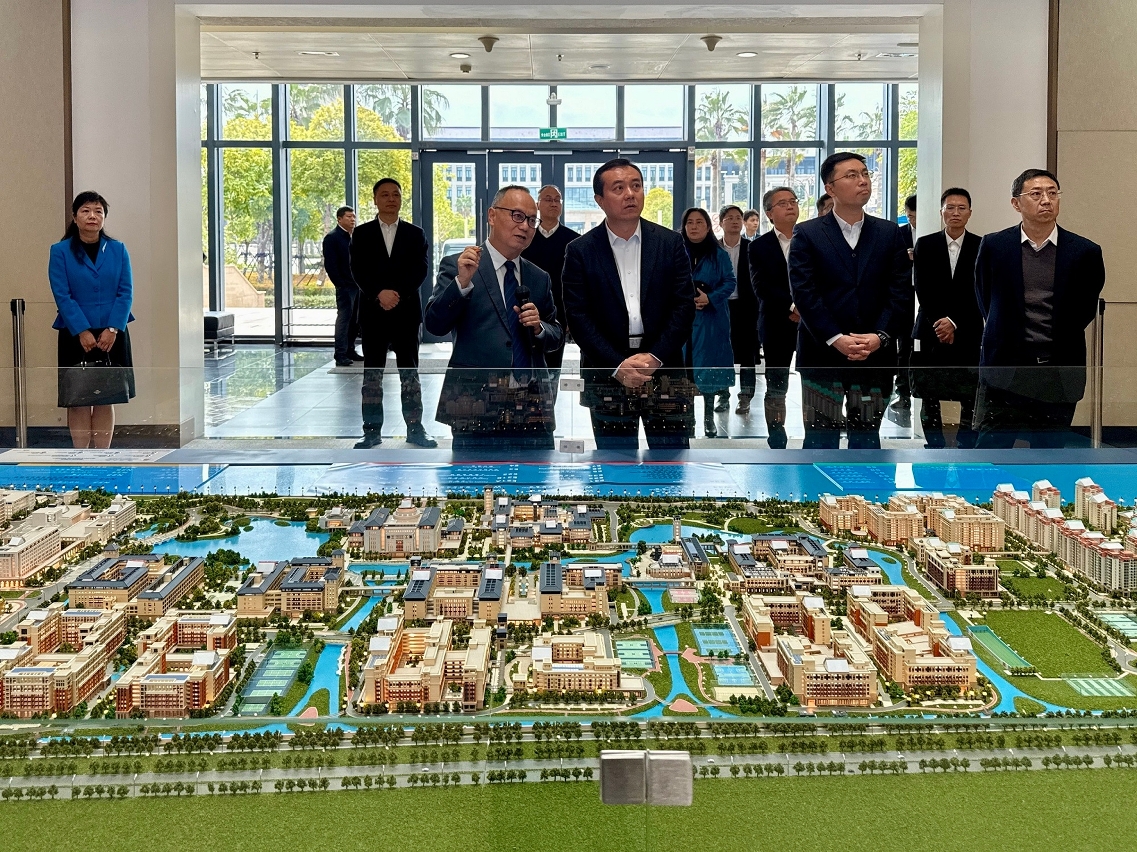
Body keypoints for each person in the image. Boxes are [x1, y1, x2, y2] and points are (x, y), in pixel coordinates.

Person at [562, 158, 696, 450]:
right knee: (615, 463)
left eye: (636, 186)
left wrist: (655, 357)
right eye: (618, 188)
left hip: (664, 368)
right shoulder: (580, 251)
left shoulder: (670, 243)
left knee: (672, 463)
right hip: (608, 373)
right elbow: (578, 317)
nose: (630, 194)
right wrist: (617, 365)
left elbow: (684, 306)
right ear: (599, 200)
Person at [788, 152, 913, 449]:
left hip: (874, 356)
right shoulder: (808, 233)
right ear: (830, 188)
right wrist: (836, 338)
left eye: (865, 173)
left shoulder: (888, 233)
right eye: (852, 175)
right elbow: (804, 292)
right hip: (822, 355)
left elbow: (900, 291)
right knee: (820, 439)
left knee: (867, 438)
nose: (863, 181)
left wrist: (879, 336)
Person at [973, 168, 1105, 448]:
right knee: (990, 452)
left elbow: (1084, 309)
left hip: (1057, 370)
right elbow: (985, 299)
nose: (1046, 200)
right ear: (1016, 203)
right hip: (1006, 368)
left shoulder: (1085, 252)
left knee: (1049, 455)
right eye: (1036, 194)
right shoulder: (995, 245)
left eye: (1052, 193)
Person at [425, 186, 563, 449]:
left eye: (532, 220)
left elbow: (555, 335)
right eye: (517, 216)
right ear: (492, 215)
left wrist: (540, 328)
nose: (525, 226)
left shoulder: (538, 277)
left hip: (532, 407)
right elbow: (435, 325)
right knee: (474, 475)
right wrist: (461, 284)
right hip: (474, 404)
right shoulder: (461, 266)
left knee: (536, 474)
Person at [349, 178, 436, 448]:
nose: (390, 199)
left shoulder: (415, 234)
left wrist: (396, 294)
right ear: (375, 200)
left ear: (400, 199)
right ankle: (371, 431)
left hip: (406, 313)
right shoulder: (361, 234)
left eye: (395, 194)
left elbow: (420, 270)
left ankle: (415, 429)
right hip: (373, 314)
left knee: (409, 374)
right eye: (384, 195)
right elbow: (357, 269)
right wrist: (379, 293)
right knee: (372, 375)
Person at [49, 191, 136, 449]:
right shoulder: (60, 251)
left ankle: (102, 457)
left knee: (105, 396)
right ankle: (81, 456)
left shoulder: (118, 249)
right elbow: (62, 294)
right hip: (74, 333)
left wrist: (113, 328)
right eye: (86, 211)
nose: (92, 216)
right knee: (78, 398)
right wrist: (82, 331)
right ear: (75, 216)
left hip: (112, 334)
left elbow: (126, 292)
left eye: (98, 211)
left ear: (104, 217)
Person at [910, 188, 982, 449]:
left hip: (967, 329)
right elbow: (922, 287)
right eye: (950, 207)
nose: (955, 213)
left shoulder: (981, 245)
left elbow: (979, 290)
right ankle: (934, 445)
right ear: (941, 212)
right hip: (930, 328)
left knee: (969, 393)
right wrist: (941, 321)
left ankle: (966, 445)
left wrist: (954, 322)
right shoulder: (926, 244)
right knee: (929, 393)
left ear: (970, 212)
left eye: (961, 208)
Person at [748, 186, 801, 449]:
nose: (790, 206)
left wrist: (806, 308)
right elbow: (762, 287)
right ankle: (776, 433)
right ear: (769, 213)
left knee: (815, 381)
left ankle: (819, 430)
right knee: (777, 382)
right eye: (782, 203)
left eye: (793, 201)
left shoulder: (812, 238)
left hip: (814, 324)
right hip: (777, 322)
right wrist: (793, 307)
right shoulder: (759, 246)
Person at [682, 208, 736, 438]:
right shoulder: (676, 251)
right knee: (685, 369)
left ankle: (708, 417)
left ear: (708, 227)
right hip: (683, 319)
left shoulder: (718, 254)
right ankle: (687, 418)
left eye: (699, 222)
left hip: (711, 320)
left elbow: (730, 282)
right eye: (690, 222)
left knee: (708, 369)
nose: (694, 227)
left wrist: (710, 298)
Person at [520, 184, 579, 370]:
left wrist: (571, 317)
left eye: (557, 200)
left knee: (553, 369)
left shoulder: (574, 241)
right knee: (525, 365)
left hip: (560, 314)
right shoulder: (525, 237)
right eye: (548, 199)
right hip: (525, 310)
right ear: (538, 204)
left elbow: (577, 284)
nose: (553, 203)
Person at [717, 204, 758, 414]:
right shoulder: (714, 248)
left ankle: (745, 397)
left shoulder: (752, 247)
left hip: (746, 307)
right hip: (719, 307)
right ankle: (722, 396)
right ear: (721, 222)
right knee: (721, 353)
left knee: (747, 354)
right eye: (729, 218)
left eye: (738, 218)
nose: (734, 221)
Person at [322, 206, 363, 367]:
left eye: (354, 217)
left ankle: (350, 350)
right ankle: (340, 354)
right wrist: (341, 284)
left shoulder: (354, 236)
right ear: (339, 219)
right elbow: (331, 265)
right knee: (344, 320)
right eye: (349, 217)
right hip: (345, 286)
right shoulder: (332, 238)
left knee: (355, 320)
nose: (353, 219)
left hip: (358, 285)